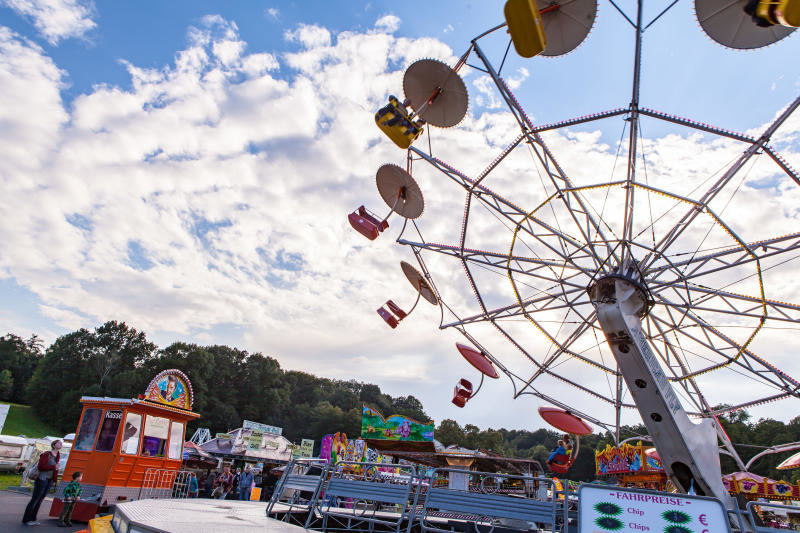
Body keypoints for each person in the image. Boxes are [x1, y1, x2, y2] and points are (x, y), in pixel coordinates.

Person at [22, 439, 62, 526]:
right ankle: (26, 519)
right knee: (35, 499)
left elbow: (55, 469)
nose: (61, 444)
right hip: (42, 479)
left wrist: (54, 480)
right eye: (59, 443)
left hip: (49, 480)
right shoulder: (47, 454)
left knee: (40, 499)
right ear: (54, 445)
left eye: (61, 443)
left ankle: (33, 518)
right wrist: (53, 466)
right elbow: (41, 467)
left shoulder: (58, 455)